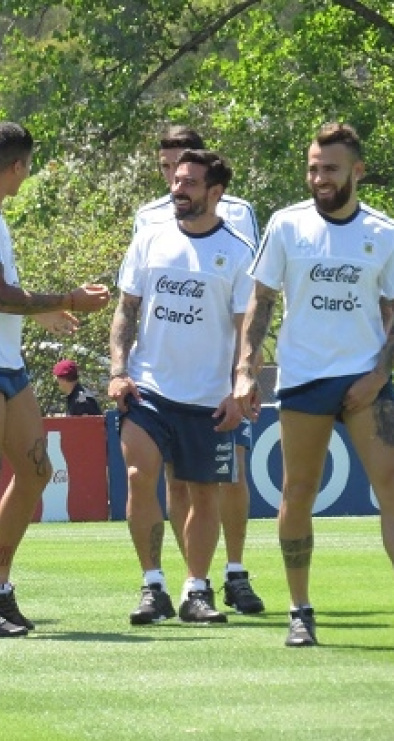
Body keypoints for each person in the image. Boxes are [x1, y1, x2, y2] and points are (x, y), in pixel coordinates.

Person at [233, 122, 394, 649]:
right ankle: (299, 611)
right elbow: (261, 301)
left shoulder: (384, 232)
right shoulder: (286, 224)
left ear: (357, 171)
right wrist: (245, 370)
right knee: (298, 492)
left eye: (330, 168)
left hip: (366, 381)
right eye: (313, 168)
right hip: (304, 377)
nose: (319, 178)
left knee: (393, 485)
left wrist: (379, 374)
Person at [0, 122, 110, 638]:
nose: (26, 175)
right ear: (16, 166)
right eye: (27, 166)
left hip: (2, 362)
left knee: (35, 471)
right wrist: (69, 299)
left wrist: (39, 312)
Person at [110, 149, 253, 626]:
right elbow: (125, 310)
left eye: (190, 182)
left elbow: (247, 330)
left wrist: (239, 386)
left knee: (204, 494)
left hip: (208, 398)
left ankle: (197, 588)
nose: (178, 188)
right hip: (148, 389)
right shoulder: (149, 239)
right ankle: (153, 586)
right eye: (176, 179)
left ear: (216, 192)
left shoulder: (239, 252)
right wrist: (118, 370)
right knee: (138, 477)